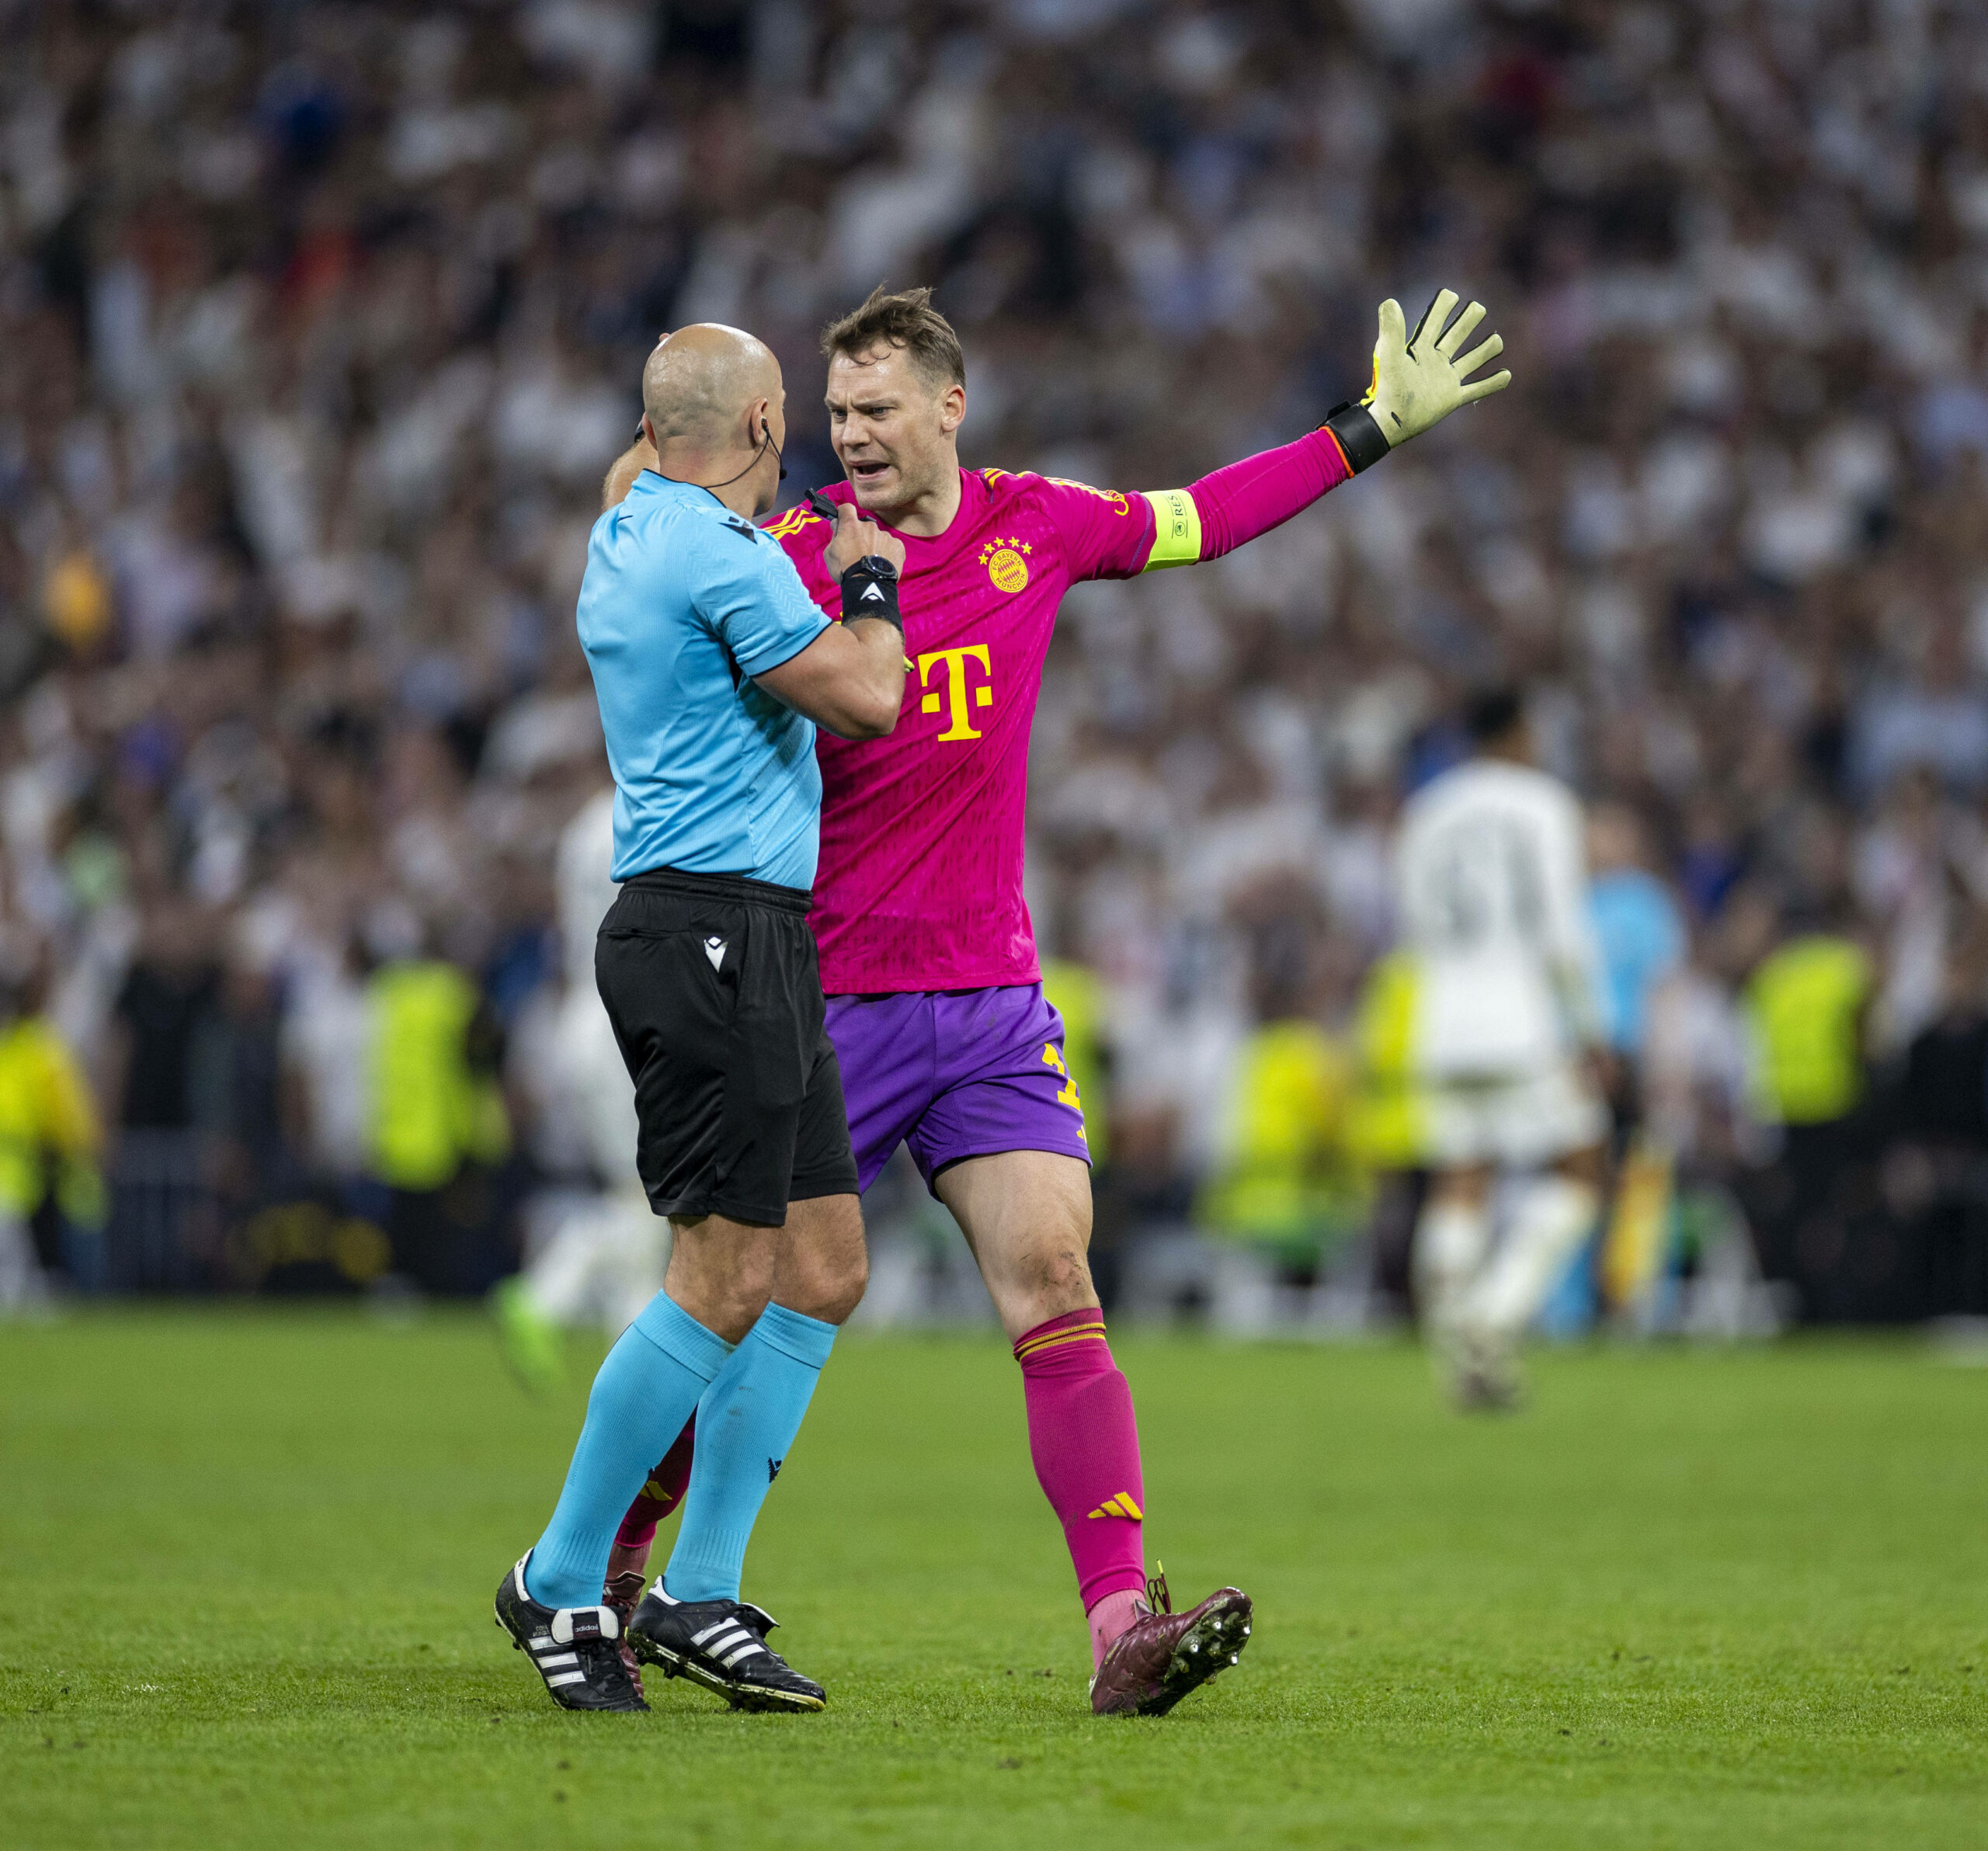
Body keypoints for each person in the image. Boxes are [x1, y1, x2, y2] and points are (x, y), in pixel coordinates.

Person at [600, 283, 1509, 1713]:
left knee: (1056, 1278)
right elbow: (651, 512)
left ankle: (1118, 1627)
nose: (856, 437)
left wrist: (1372, 427)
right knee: (744, 1293)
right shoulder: (785, 546)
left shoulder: (1036, 520)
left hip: (986, 1003)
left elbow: (1205, 516)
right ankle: (619, 1559)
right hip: (820, 992)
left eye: (880, 410)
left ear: (950, 406)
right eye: (838, 414)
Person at [493, 324, 907, 1714]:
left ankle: (699, 1588)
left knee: (825, 1260)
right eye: (781, 423)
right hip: (709, 927)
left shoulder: (626, 522)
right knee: (720, 1277)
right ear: (758, 425)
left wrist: (713, 456)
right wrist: (866, 579)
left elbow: (642, 459)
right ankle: (557, 1578)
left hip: (750, 932)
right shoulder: (713, 555)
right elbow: (867, 696)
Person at [1394, 688, 1608, 1410]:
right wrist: (1593, 1027)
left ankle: (1460, 1353)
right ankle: (1494, 1314)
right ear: (1517, 732)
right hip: (1519, 1019)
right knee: (1582, 1167)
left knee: (1461, 1178)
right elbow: (1561, 925)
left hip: (1441, 1018)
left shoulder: (1425, 812)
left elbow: (1416, 925)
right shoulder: (1542, 804)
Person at [491, 781, 667, 1391]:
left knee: (642, 1198)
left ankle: (638, 1353)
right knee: (649, 1200)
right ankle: (546, 1296)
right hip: (628, 1023)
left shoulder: (585, 825)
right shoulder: (656, 811)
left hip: (585, 1016)